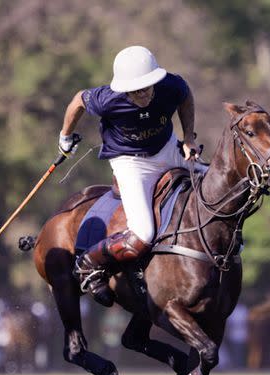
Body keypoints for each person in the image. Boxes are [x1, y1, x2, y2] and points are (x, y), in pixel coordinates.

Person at [58, 45, 200, 306]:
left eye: (146, 88)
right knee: (143, 233)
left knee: (212, 182)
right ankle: (89, 262)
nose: (142, 95)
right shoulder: (107, 99)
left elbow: (186, 95)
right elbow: (78, 99)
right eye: (135, 91)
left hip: (167, 148)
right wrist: (65, 137)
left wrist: (188, 137)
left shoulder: (171, 85)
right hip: (130, 162)